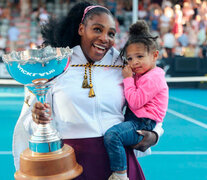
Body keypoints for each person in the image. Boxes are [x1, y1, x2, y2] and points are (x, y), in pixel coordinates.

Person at [13, 1, 164, 180]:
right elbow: (29, 120)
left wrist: (155, 134)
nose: (104, 38)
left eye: (111, 34)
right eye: (97, 29)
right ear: (81, 29)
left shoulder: (124, 64)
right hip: (71, 164)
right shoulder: (55, 64)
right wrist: (38, 118)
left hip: (118, 164)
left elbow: (151, 99)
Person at [104, 20, 168, 180]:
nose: (134, 63)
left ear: (154, 56)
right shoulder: (143, 74)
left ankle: (120, 175)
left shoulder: (153, 77)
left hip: (142, 122)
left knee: (113, 135)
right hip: (138, 120)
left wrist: (128, 79)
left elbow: (135, 102)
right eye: (130, 58)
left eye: (140, 56)